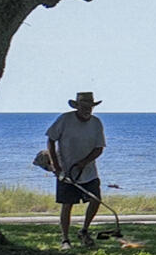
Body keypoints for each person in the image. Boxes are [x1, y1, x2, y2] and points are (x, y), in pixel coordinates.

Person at [42, 91, 108, 244]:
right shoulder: (65, 119)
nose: (87, 110)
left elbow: (99, 148)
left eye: (90, 107)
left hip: (88, 171)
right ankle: (65, 239)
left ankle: (84, 231)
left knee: (95, 199)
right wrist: (56, 166)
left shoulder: (96, 123)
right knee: (67, 204)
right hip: (66, 171)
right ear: (77, 106)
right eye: (84, 106)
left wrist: (84, 162)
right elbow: (51, 140)